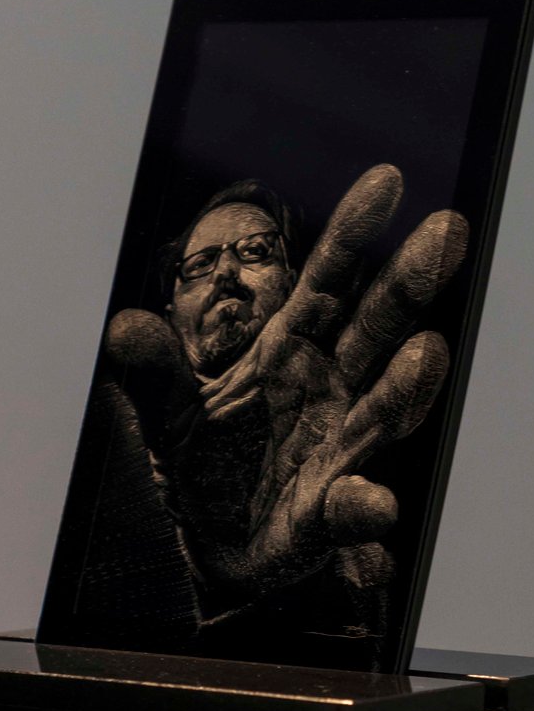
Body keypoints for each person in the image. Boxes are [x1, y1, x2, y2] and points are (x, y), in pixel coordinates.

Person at [75, 166, 469, 657]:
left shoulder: (359, 563)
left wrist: (255, 578)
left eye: (256, 251)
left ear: (290, 284)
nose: (225, 272)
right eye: (199, 263)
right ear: (171, 309)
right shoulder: (102, 442)